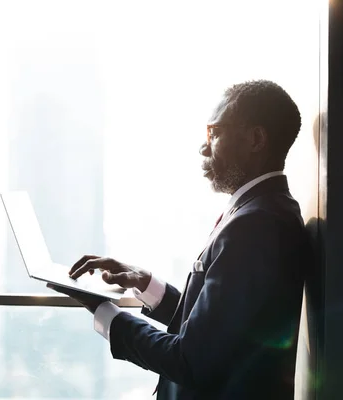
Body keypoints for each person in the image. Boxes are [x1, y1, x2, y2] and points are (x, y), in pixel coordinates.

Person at [48, 79, 313, 399]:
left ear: (256, 138)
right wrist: (146, 285)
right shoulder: (264, 211)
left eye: (214, 133)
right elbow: (219, 326)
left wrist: (104, 312)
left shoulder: (255, 225)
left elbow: (192, 359)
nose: (204, 147)